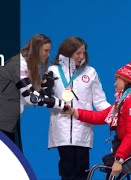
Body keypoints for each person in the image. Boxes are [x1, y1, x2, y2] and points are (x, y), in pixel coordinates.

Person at [0, 34, 65, 153]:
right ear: (36, 49)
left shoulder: (31, 66)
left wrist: (45, 89)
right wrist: (62, 104)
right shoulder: (18, 65)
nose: (48, 54)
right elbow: (31, 98)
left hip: (2, 123)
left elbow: (25, 99)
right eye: (46, 51)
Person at [62, 57, 131, 177]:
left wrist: (119, 159)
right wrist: (74, 112)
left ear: (127, 81)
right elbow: (101, 116)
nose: (114, 83)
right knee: (102, 166)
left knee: (102, 167)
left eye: (118, 79)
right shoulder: (123, 100)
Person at [47, 36, 110, 180]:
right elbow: (46, 98)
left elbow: (100, 102)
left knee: (82, 172)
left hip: (83, 129)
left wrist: (115, 111)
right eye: (78, 53)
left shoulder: (90, 72)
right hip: (61, 129)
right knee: (67, 171)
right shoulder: (53, 71)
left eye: (84, 53)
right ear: (67, 53)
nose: (81, 57)